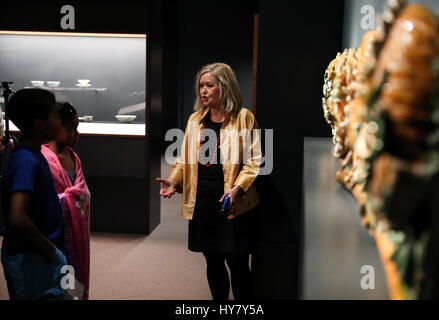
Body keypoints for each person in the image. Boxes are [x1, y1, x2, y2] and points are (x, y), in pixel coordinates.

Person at [157, 62, 261, 300]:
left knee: (237, 263)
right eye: (200, 86)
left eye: (209, 85)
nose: (203, 90)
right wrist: (174, 181)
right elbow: (184, 160)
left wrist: (237, 189)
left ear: (224, 87)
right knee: (212, 261)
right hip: (202, 203)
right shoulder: (195, 120)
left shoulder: (244, 118)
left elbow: (254, 161)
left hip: (232, 203)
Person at [0, 88, 67, 299]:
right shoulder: (26, 161)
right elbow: (18, 218)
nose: (59, 120)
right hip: (31, 257)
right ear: (40, 124)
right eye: (56, 116)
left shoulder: (33, 155)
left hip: (40, 253)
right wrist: (49, 249)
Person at [41, 102, 90, 300]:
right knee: (59, 272)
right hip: (55, 231)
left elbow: (81, 190)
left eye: (77, 128)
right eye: (70, 129)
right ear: (55, 126)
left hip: (77, 229)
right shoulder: (44, 157)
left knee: (76, 270)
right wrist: (68, 199)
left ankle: (75, 296)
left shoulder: (74, 157)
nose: (75, 134)